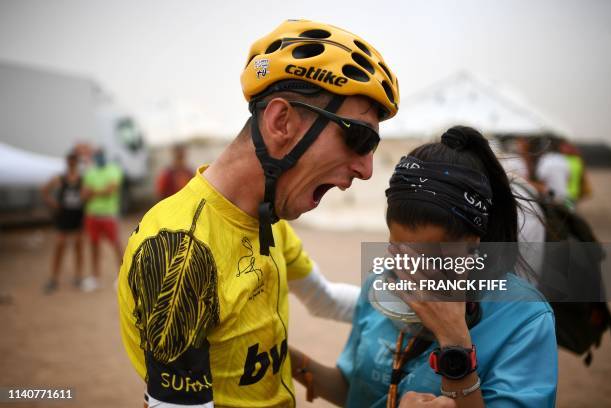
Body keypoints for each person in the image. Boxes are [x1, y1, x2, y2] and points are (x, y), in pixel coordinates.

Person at [117, 19, 448, 408]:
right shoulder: (182, 248)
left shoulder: (266, 218)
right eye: (359, 139)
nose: (366, 170)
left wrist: (436, 307)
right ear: (281, 122)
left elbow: (324, 299)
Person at [290, 126, 558, 407]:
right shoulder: (381, 284)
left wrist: (455, 343)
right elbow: (355, 391)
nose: (409, 271)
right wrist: (287, 358)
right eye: (398, 251)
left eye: (430, 258)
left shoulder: (524, 318)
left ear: (472, 242)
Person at [41, 151, 85, 293]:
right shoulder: (60, 178)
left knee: (78, 246)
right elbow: (44, 190)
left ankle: (78, 276)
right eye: (70, 160)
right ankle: (54, 277)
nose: (72, 163)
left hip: (77, 216)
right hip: (63, 216)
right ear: (67, 162)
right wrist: (53, 204)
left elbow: (86, 195)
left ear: (77, 162)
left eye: (74, 160)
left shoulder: (82, 179)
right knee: (60, 245)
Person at [81, 149, 124, 292]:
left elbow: (111, 191)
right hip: (92, 215)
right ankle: (95, 277)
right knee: (94, 245)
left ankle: (122, 276)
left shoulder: (114, 170)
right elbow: (85, 194)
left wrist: (93, 192)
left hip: (109, 215)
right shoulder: (90, 172)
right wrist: (100, 192)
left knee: (116, 245)